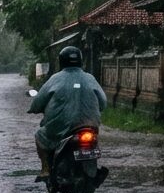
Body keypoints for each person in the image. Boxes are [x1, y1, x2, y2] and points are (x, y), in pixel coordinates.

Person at [28, 46, 107, 182]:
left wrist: (34, 108)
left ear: (61, 61)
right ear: (80, 61)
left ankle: (46, 169)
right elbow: (103, 103)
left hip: (61, 128)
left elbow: (38, 102)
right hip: (90, 125)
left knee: (40, 135)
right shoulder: (90, 78)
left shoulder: (55, 79)